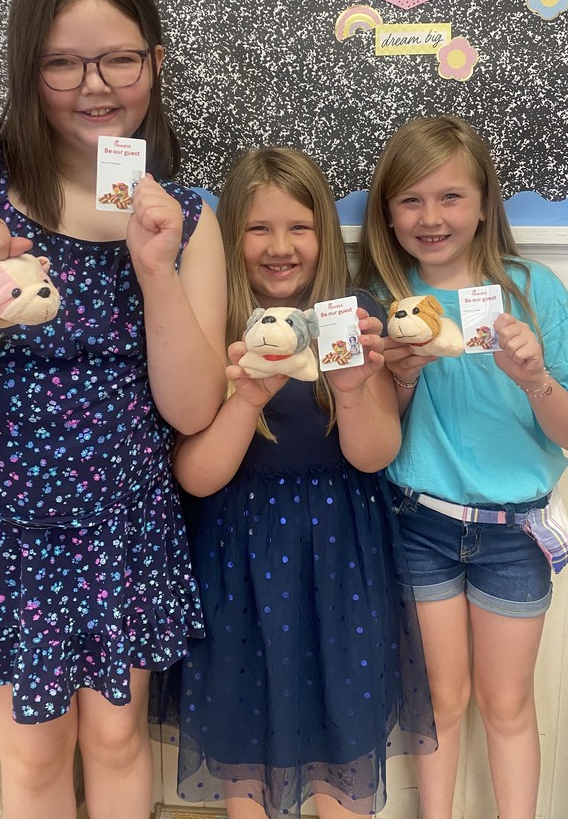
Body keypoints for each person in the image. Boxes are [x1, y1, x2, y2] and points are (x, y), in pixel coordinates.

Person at [0, 0, 227, 819]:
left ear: (155, 61)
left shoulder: (184, 213)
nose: (96, 85)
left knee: (119, 740)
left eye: (120, 57)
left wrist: (154, 270)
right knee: (34, 757)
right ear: (25, 70)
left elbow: (192, 410)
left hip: (120, 520)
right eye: (62, 62)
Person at [162, 147, 437, 819]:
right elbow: (196, 478)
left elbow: (374, 455)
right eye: (258, 229)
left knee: (343, 735)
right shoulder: (212, 326)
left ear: (324, 236)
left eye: (299, 227)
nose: (279, 247)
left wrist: (349, 391)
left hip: (341, 554)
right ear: (232, 237)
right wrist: (248, 400)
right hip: (236, 557)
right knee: (242, 738)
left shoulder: (355, 317)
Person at [356, 115, 568, 819]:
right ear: (387, 211)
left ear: (483, 203)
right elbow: (371, 439)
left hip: (512, 533)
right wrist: (401, 377)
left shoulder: (533, 291)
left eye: (450, 197)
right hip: (420, 524)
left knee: (507, 704)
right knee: (439, 700)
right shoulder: (379, 300)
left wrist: (533, 376)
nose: (430, 217)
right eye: (410, 199)